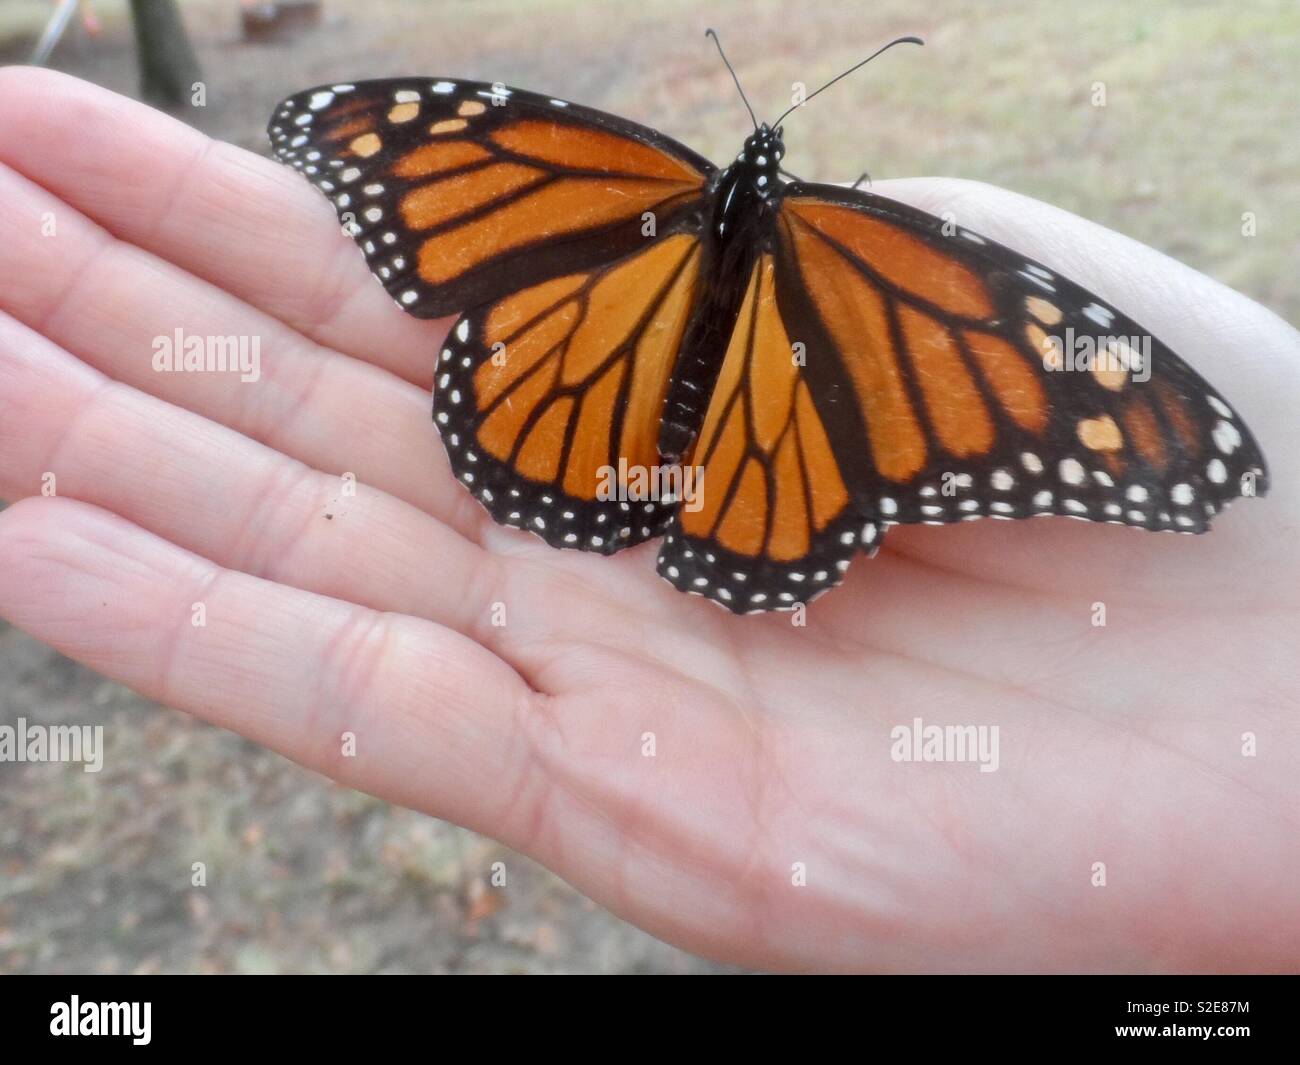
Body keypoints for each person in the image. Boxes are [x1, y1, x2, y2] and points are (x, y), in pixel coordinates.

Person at [0, 67, 1296, 972]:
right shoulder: (853, 242)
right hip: (686, 420)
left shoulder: (876, 254)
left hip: (625, 385)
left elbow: (1007, 374)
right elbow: (437, 156)